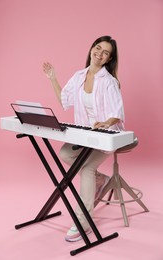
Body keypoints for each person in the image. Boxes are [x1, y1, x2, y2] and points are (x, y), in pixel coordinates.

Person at [43, 35, 125, 242]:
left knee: (86, 167)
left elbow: (118, 112)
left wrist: (106, 122)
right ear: (91, 49)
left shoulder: (109, 81)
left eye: (105, 52)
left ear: (108, 59)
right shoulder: (79, 75)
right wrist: (53, 77)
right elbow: (65, 100)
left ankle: (83, 221)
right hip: (84, 135)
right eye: (98, 48)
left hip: (105, 135)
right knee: (64, 153)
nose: (100, 54)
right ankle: (102, 181)